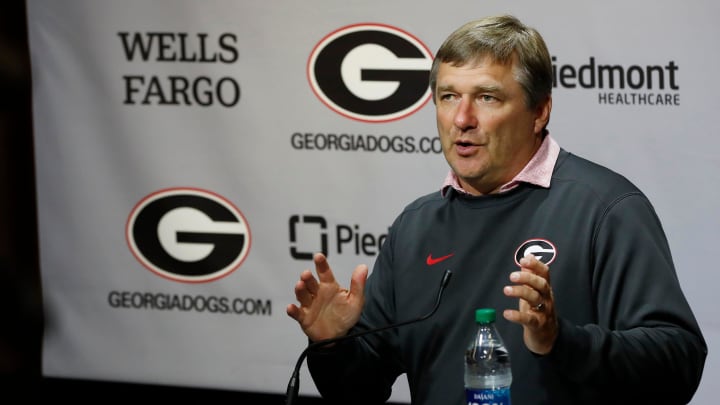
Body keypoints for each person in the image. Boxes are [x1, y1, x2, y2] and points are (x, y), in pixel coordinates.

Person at [286, 14, 707, 405]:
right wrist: (331, 345)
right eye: (448, 96)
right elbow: (359, 389)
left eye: (487, 97)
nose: (462, 118)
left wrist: (561, 342)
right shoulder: (416, 226)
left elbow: (679, 365)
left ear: (539, 111)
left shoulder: (606, 209)